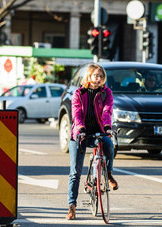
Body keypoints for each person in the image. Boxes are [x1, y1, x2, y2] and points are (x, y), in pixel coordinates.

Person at [66, 63, 118, 220]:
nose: (99, 79)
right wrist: (80, 128)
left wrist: (107, 127)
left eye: (101, 76)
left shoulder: (106, 93)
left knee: (109, 144)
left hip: (98, 131)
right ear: (89, 76)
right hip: (80, 134)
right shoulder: (78, 93)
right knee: (75, 172)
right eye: (96, 75)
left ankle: (108, 174)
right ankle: (71, 207)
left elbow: (107, 110)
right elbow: (76, 113)